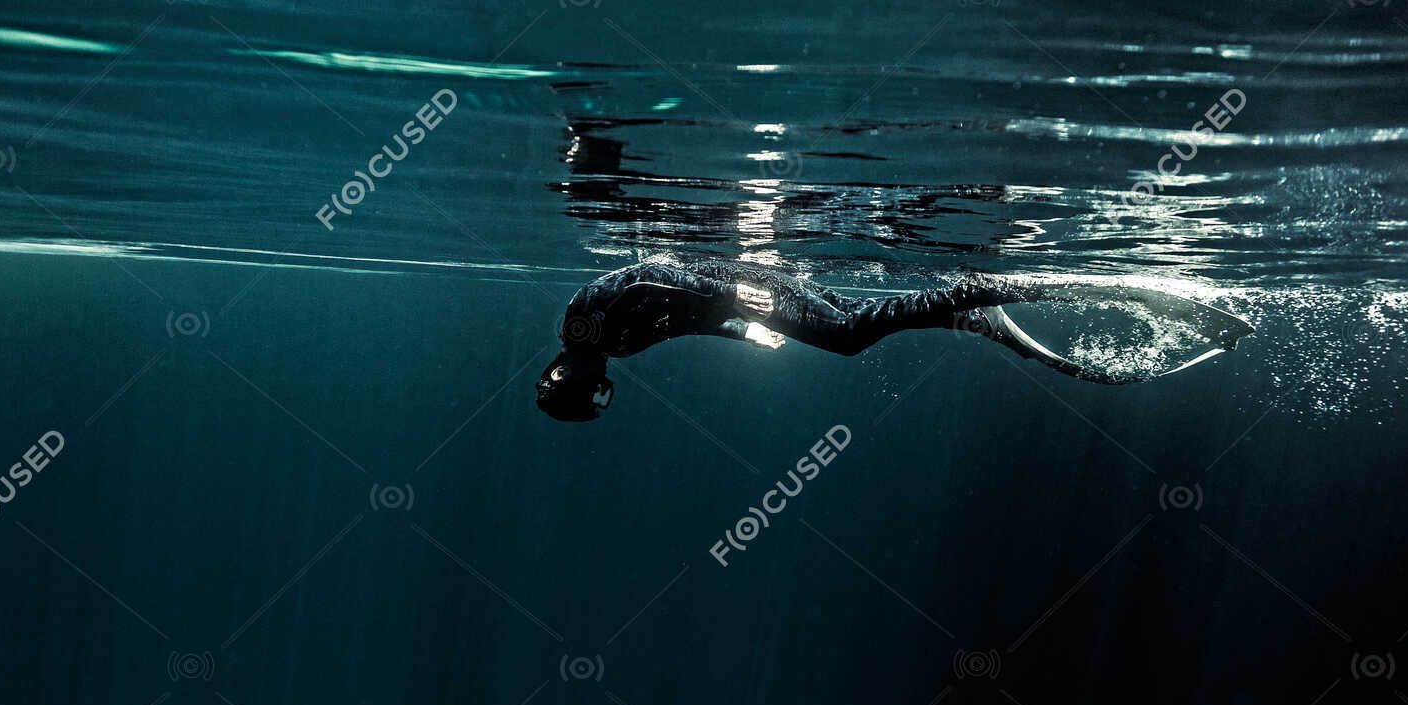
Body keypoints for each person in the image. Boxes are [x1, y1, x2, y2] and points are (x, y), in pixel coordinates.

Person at [536, 256, 1251, 421]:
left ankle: (972, 294)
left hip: (736, 272)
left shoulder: (584, 328)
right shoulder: (616, 349)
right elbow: (685, 323)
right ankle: (963, 311)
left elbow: (652, 275)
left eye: (593, 396)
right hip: (739, 289)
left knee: (848, 335)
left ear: (571, 380)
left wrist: (733, 298)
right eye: (604, 397)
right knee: (850, 322)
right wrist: (742, 329)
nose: (606, 391)